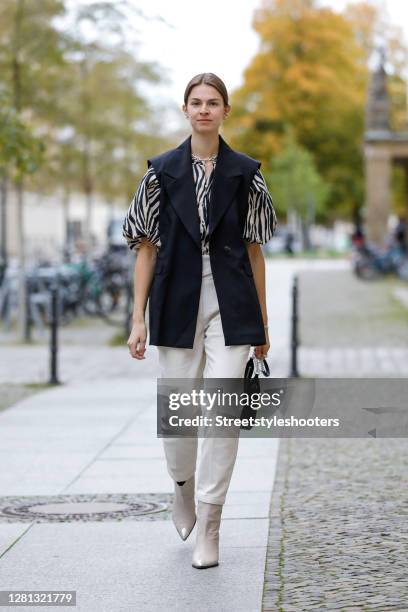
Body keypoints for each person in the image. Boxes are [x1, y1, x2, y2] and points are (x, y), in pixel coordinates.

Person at [122, 72, 277, 569]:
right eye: (196, 102)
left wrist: (263, 326)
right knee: (181, 417)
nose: (204, 109)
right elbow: (145, 249)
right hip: (175, 299)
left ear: (225, 111)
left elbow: (255, 252)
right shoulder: (159, 173)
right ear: (185, 110)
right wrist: (136, 319)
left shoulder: (247, 174)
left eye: (213, 102)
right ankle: (183, 487)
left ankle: (211, 525)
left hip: (231, 303)